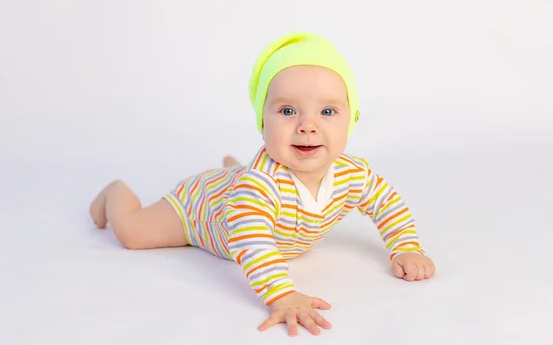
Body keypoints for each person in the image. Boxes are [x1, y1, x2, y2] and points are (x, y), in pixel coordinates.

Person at [89, 31, 436, 337]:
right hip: (199, 209)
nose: (307, 125)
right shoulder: (257, 190)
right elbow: (251, 240)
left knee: (241, 181)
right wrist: (282, 294)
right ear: (262, 122)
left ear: (351, 120)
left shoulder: (353, 174)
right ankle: (115, 193)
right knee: (133, 234)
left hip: (238, 188)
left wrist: (405, 247)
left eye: (327, 112)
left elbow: (388, 204)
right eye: (287, 111)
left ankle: (231, 170)